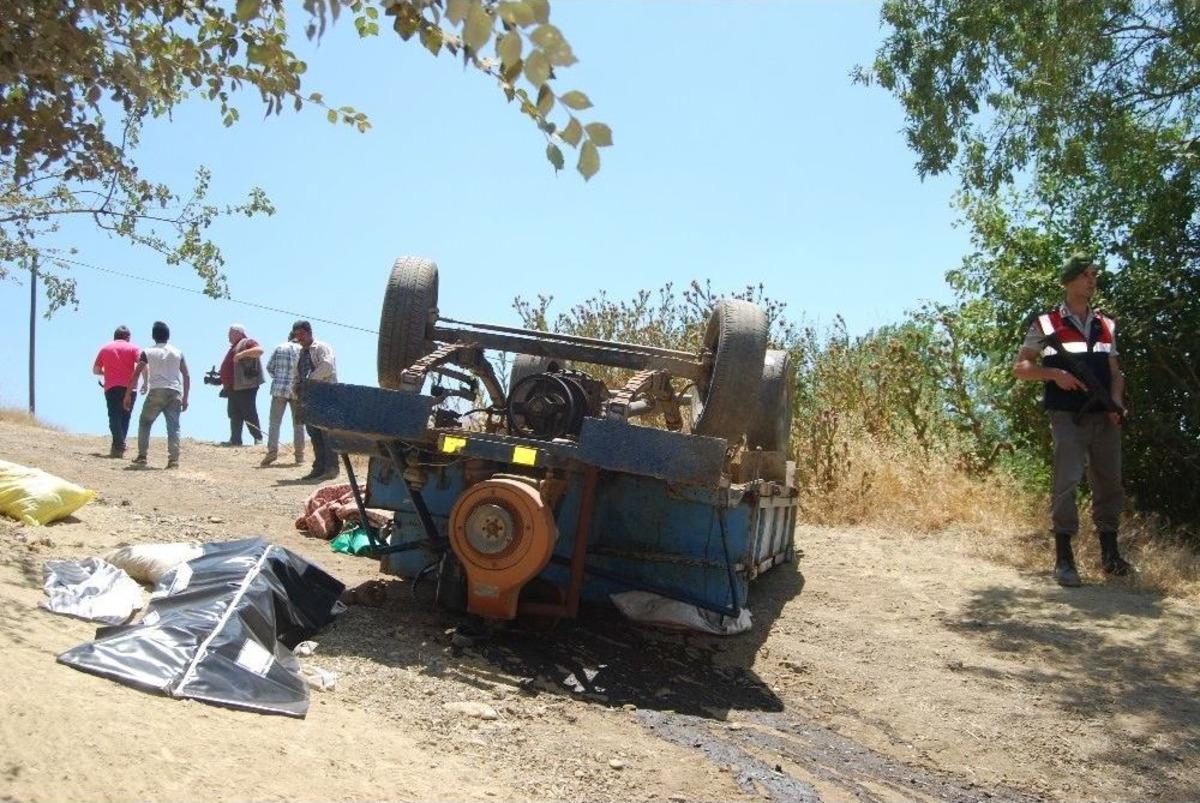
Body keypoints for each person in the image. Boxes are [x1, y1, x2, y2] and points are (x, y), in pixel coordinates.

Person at [1013, 252, 1132, 587]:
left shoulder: (1106, 324)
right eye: (1086, 274)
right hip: (1067, 416)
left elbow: (1115, 373)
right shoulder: (1046, 323)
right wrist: (1054, 374)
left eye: (1094, 274)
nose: (1092, 280)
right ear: (1069, 281)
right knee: (1066, 482)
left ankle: (1111, 557)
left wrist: (1117, 401)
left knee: (1110, 483)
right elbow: (1020, 368)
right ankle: (1064, 559)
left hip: (1104, 416)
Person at [124, 321, 190, 469]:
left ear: (153, 336)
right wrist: (185, 398)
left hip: (157, 390)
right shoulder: (178, 352)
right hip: (175, 391)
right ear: (168, 335)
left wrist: (128, 394)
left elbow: (136, 374)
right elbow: (186, 375)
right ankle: (173, 460)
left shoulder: (147, 352)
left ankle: (142, 456)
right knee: (174, 426)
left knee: (145, 422)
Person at [291, 320, 339, 481]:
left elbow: (327, 366)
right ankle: (318, 468)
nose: (299, 338)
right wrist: (297, 386)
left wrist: (309, 380)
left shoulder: (321, 348)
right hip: (309, 397)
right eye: (297, 335)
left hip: (325, 394)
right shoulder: (300, 353)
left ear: (309, 332)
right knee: (314, 433)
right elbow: (297, 374)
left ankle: (331, 468)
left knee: (326, 432)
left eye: (301, 334)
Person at [92, 325, 141, 457]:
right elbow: (142, 364)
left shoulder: (105, 348)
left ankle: (118, 446)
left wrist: (106, 373)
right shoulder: (134, 348)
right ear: (128, 337)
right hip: (130, 387)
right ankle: (119, 446)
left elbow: (95, 370)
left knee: (114, 416)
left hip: (111, 387)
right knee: (125, 417)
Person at [261, 333, 306, 466]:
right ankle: (299, 456)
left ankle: (272, 452)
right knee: (298, 424)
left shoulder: (280, 347)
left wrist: (278, 377)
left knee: (275, 423)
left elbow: (269, 367)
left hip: (279, 389)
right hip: (296, 390)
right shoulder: (302, 350)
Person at [219, 323, 265, 446]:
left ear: (238, 333)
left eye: (230, 333)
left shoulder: (246, 342)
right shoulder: (234, 346)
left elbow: (259, 351)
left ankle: (258, 438)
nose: (228, 336)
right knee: (234, 413)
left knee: (249, 412)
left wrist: (241, 355)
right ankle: (235, 439)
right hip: (234, 386)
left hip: (246, 385)